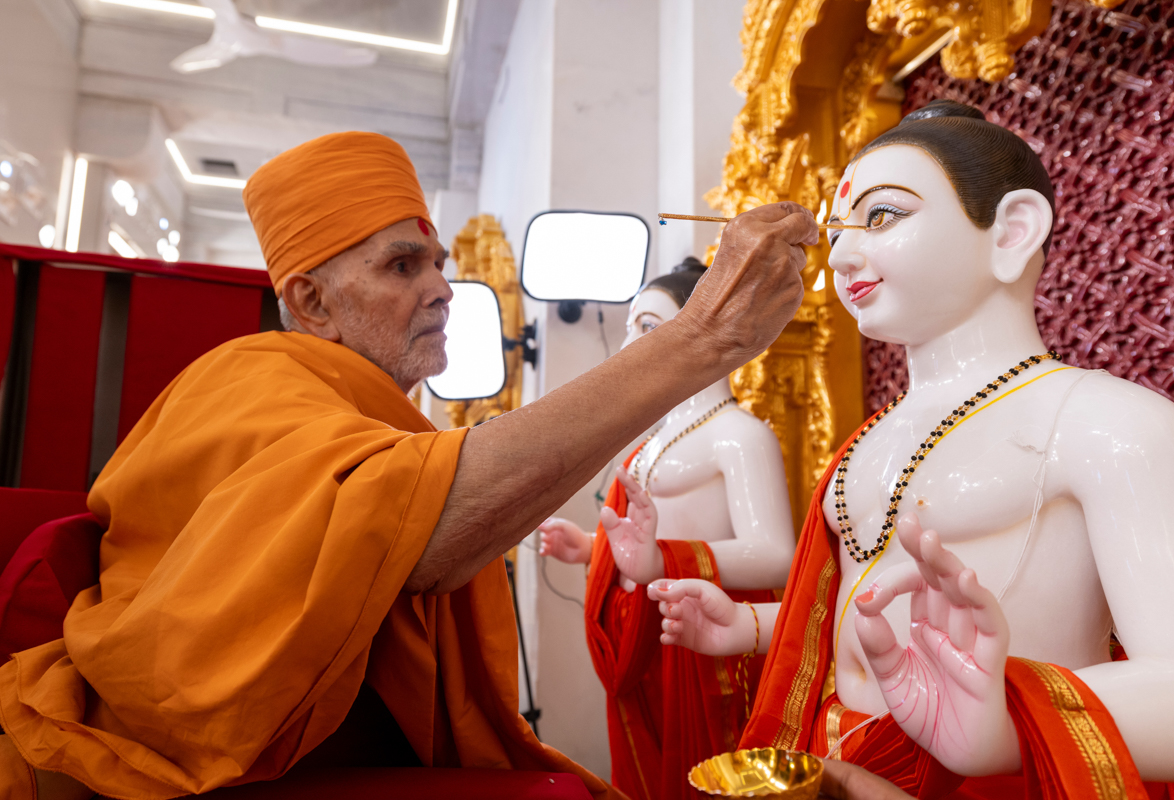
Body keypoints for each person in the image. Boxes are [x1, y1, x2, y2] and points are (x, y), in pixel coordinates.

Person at [0, 131, 819, 799]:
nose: (443, 290)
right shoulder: (250, 379)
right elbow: (415, 529)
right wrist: (699, 339)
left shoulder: (360, 400)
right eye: (402, 267)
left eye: (435, 264)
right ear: (312, 301)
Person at [648, 102, 1174, 798]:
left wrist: (1002, 724)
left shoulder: (1111, 425)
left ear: (1012, 232)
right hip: (839, 764)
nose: (843, 254)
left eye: (881, 217)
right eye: (841, 229)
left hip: (1005, 778)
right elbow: (870, 604)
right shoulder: (869, 442)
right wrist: (751, 626)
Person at [538, 257, 795, 800]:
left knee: (702, 779)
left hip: (706, 634)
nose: (632, 345)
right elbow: (639, 544)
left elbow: (777, 555)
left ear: (708, 328)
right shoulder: (652, 441)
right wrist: (588, 549)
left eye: (649, 327)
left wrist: (663, 563)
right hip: (641, 637)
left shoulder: (738, 436)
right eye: (631, 328)